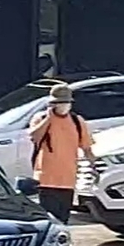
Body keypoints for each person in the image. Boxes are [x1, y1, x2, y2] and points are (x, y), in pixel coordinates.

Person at [27, 82, 93, 221]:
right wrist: (49, 119)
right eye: (58, 102)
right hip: (46, 180)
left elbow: (86, 148)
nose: (63, 106)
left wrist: (94, 166)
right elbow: (34, 137)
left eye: (65, 102)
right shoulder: (41, 119)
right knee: (50, 218)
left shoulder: (77, 121)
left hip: (68, 180)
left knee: (63, 218)